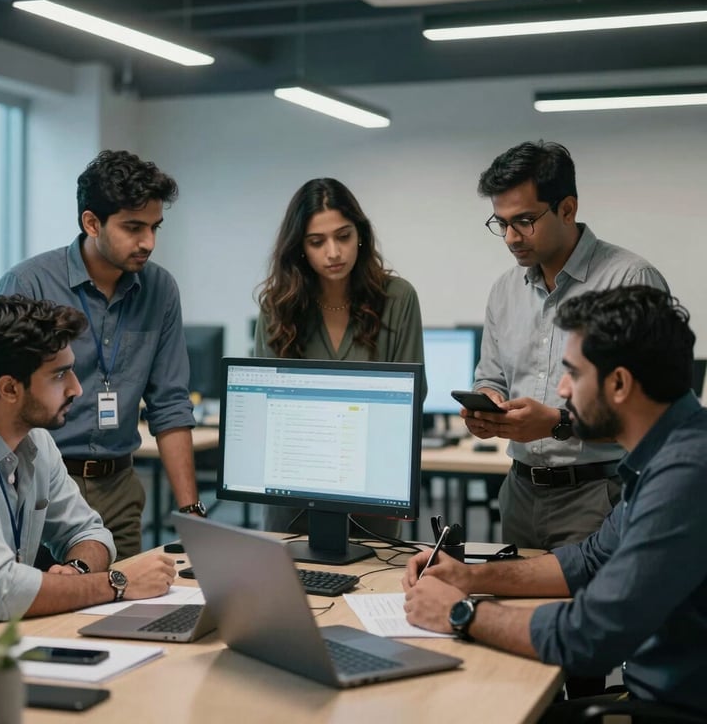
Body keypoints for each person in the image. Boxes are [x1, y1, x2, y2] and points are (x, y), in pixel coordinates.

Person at [403, 285, 707, 720]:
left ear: (619, 383)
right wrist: (468, 577)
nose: (562, 390)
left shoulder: (686, 477)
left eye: (574, 373)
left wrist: (458, 612)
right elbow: (587, 561)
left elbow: (590, 637)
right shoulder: (670, 452)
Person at [0, 150, 203, 560]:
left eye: (155, 227)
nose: (148, 242)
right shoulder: (29, 283)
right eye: (133, 227)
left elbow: (170, 405)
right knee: (40, 617)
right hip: (39, 486)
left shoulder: (160, 289)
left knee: (127, 613)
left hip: (119, 486)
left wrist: (191, 514)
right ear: (92, 222)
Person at [466, 140, 668, 550]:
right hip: (520, 494)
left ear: (567, 209)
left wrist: (558, 423)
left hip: (600, 495)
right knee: (516, 610)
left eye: (524, 221)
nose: (510, 237)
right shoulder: (504, 290)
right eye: (501, 223)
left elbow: (651, 411)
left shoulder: (631, 280)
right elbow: (492, 377)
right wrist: (487, 406)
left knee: (589, 613)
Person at [0, 296, 175, 622]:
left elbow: (91, 533)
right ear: (9, 389)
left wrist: (77, 570)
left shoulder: (34, 439)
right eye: (60, 375)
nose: (76, 389)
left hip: (3, 645)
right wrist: (117, 583)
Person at [254, 177, 425, 538]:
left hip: (371, 489)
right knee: (288, 588)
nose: (333, 252)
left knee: (373, 587)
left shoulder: (398, 298)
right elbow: (267, 409)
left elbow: (410, 401)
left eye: (343, 236)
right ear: (300, 247)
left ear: (360, 235)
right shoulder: (278, 307)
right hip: (292, 490)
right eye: (317, 242)